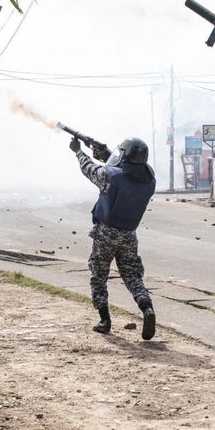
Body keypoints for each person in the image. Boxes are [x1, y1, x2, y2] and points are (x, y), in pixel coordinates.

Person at [71, 135, 158, 339]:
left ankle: (104, 319)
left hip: (105, 233)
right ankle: (146, 307)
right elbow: (125, 172)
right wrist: (106, 153)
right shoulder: (149, 181)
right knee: (132, 275)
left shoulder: (111, 176)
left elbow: (90, 170)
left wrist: (78, 151)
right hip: (129, 235)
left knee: (98, 274)